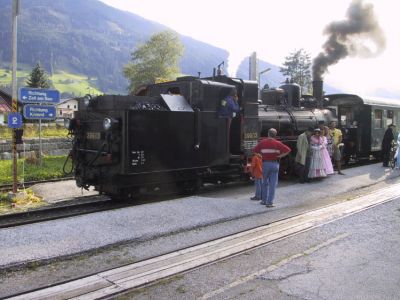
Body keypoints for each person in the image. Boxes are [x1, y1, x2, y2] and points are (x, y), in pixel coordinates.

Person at [253, 128, 291, 207]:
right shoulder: (278, 143)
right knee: (273, 184)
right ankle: (269, 203)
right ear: (275, 135)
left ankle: (263, 201)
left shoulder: (262, 142)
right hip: (275, 164)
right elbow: (288, 150)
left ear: (268, 134)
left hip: (265, 164)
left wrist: (260, 156)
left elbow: (254, 150)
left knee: (264, 183)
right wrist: (280, 156)